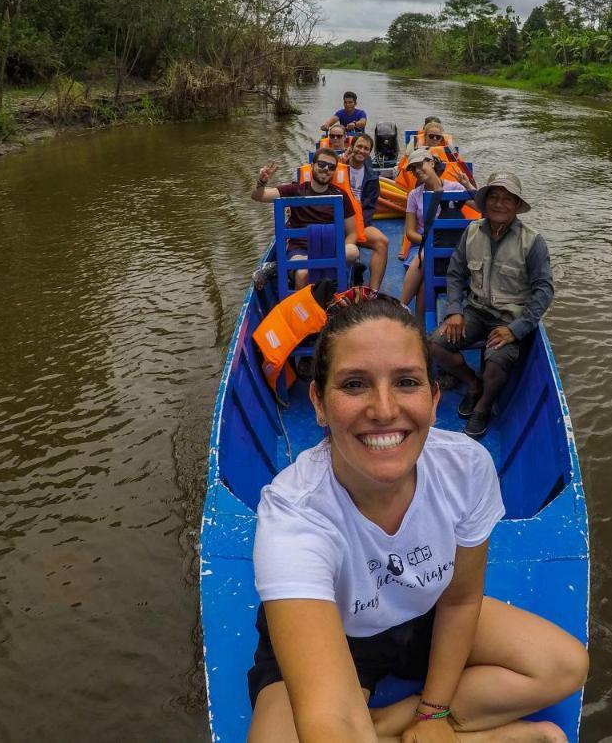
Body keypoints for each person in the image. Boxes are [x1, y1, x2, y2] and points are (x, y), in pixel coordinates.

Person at [246, 291, 588, 743]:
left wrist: (432, 712)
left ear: (433, 397)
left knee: (563, 666)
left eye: (407, 382)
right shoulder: (295, 513)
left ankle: (396, 723)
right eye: (354, 384)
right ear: (319, 403)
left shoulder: (466, 469)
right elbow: (330, 719)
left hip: (423, 614)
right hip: (336, 633)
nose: (385, 410)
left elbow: (461, 600)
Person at [429, 172, 554, 440]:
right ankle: (473, 384)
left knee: (496, 362)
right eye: (494, 197)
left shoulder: (532, 242)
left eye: (507, 199)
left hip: (509, 319)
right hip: (475, 311)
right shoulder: (472, 231)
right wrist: (454, 310)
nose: (499, 204)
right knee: (436, 344)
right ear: (485, 202)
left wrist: (516, 329)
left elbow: (544, 291)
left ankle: (483, 406)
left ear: (517, 205)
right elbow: (455, 274)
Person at [251, 148, 360, 288]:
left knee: (352, 251)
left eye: (331, 167)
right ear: (312, 165)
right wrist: (261, 181)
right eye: (321, 164)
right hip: (301, 249)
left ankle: (278, 267)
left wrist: (340, 250)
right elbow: (258, 196)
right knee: (303, 273)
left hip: (330, 248)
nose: (326, 169)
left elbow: (352, 233)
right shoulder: (295, 190)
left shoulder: (341, 195)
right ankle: (302, 305)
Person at [399, 150, 469, 312]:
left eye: (420, 165)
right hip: (423, 243)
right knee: (425, 263)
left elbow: (480, 207)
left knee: (426, 258)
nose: (417, 171)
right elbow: (410, 233)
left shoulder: (454, 188)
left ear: (431, 163)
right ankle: (416, 318)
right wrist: (429, 242)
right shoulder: (414, 195)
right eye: (413, 168)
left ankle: (402, 307)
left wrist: (468, 185)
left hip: (450, 244)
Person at [341, 133, 389, 289]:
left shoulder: (372, 178)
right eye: (359, 146)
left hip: (359, 222)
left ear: (369, 153)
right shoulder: (338, 169)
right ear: (351, 147)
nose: (361, 151)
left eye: (366, 148)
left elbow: (368, 210)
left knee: (382, 242)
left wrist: (354, 228)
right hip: (336, 220)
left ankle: (373, 291)